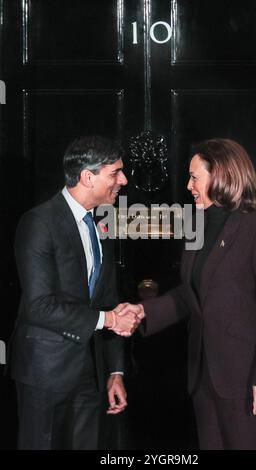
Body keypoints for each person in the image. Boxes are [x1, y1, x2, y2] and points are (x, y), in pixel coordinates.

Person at [118, 138, 256, 450]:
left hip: (246, 379)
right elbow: (191, 296)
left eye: (194, 177)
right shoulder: (197, 228)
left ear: (222, 176)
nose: (188, 186)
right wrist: (144, 311)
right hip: (203, 378)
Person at [9, 135, 140, 450]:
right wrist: (109, 320)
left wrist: (115, 371)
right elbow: (38, 306)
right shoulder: (39, 222)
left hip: (89, 373)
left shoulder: (99, 226)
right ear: (87, 177)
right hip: (45, 372)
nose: (123, 180)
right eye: (115, 173)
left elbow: (107, 298)